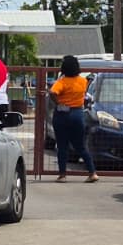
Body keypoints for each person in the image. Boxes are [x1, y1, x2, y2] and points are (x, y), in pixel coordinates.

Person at [49, 55, 98, 183]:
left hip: (62, 114)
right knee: (80, 145)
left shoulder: (62, 82)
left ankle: (62, 175)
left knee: (62, 145)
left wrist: (59, 103)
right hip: (77, 114)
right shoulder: (82, 81)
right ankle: (92, 172)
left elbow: (52, 92)